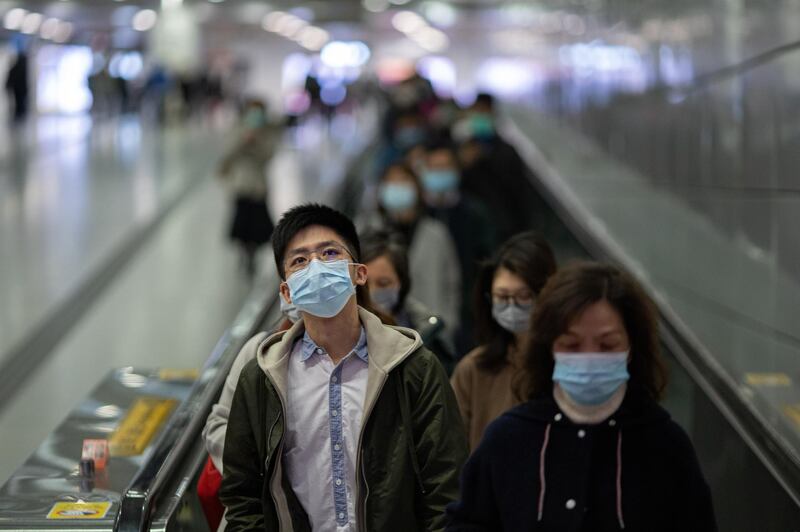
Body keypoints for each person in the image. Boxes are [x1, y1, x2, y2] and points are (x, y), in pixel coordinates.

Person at [219, 203, 468, 531]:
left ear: (358, 273)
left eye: (330, 253)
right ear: (286, 292)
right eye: (299, 260)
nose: (316, 267)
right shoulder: (261, 379)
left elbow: (446, 486)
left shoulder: (414, 368)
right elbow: (242, 495)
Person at [447, 262, 717, 531]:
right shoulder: (508, 438)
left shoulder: (665, 445)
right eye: (572, 345)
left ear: (632, 348)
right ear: (550, 348)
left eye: (607, 345)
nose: (589, 358)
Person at [450, 231, 556, 450]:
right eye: (502, 297)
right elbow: (451, 451)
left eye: (524, 296)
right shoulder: (474, 369)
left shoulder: (569, 367)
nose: (512, 306)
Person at [360, 161, 461, 341]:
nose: (398, 187)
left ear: (417, 187)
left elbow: (451, 283)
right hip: (376, 332)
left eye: (404, 181)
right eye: (391, 182)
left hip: (431, 330)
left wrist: (448, 323)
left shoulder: (435, 233)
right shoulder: (366, 231)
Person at [422, 140, 497, 354]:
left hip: (469, 308)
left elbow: (486, 257)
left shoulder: (474, 212)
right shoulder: (420, 215)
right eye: (434, 168)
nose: (439, 174)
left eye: (445, 168)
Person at [361, 229, 455, 373]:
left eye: (384, 283)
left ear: (402, 283)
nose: (372, 292)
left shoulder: (429, 337)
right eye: (364, 284)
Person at [218, 98, 283, 277]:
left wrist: (256, 142)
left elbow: (268, 155)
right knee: (241, 223)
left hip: (258, 186)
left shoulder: (268, 133)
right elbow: (227, 152)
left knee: (258, 225)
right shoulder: (238, 128)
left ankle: (252, 254)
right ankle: (244, 253)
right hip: (240, 185)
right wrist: (243, 141)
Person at [4, 51, 29, 123]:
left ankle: (19, 115)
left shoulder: (20, 68)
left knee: (19, 103)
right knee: (18, 103)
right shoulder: (17, 68)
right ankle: (18, 115)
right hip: (17, 90)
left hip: (19, 90)